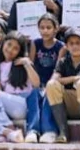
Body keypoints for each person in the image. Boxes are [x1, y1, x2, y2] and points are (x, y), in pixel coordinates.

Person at [0, 30, 41, 143]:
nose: (11, 50)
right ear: (3, 44)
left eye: (15, 48)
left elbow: (36, 84)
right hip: (5, 107)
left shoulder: (22, 64)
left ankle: (8, 127)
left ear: (20, 51)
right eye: (9, 45)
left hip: (21, 104)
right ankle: (4, 134)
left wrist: (27, 64)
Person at [44, 27, 80, 144]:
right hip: (68, 105)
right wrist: (75, 78)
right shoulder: (63, 62)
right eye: (71, 43)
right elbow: (54, 80)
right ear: (67, 46)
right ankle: (63, 132)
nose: (75, 46)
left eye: (78, 43)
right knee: (51, 85)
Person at [30, 13, 64, 143]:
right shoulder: (35, 43)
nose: (45, 30)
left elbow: (58, 69)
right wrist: (36, 85)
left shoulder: (61, 46)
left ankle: (49, 131)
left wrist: (49, 84)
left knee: (48, 94)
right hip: (37, 82)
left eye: (48, 27)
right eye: (42, 27)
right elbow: (32, 65)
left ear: (56, 29)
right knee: (33, 94)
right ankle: (33, 130)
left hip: (53, 82)